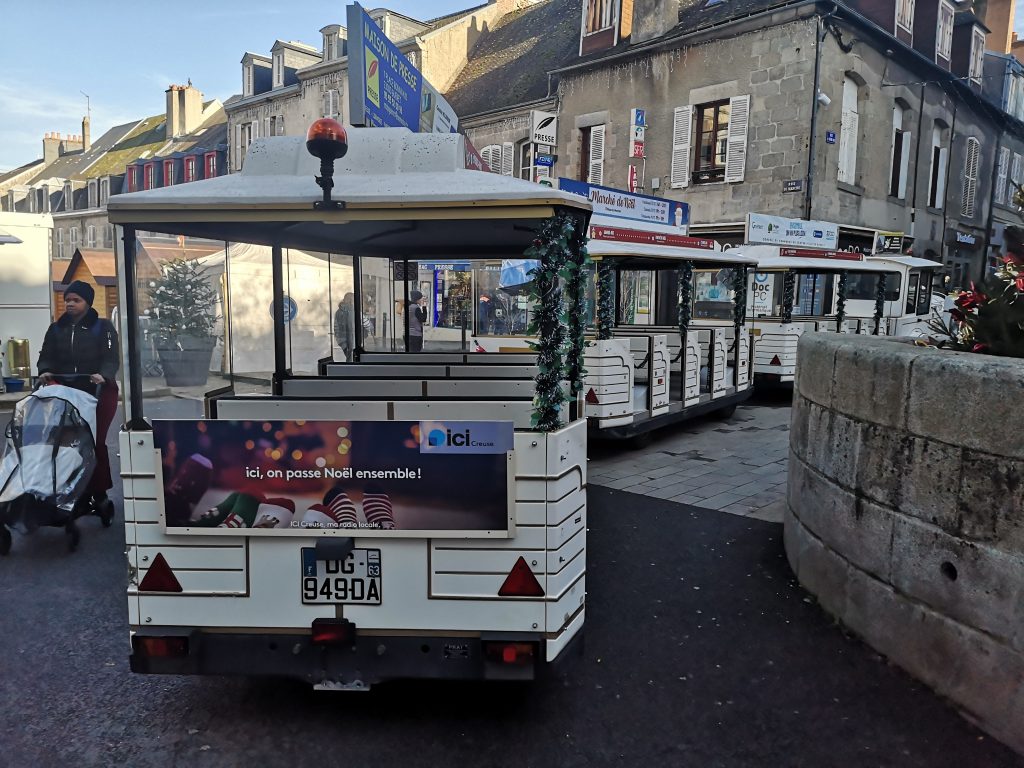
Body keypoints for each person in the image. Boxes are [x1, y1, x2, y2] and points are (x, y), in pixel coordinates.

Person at [36, 279, 120, 512]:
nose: (70, 304)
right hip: (66, 392)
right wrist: (44, 371)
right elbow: (46, 355)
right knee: (65, 441)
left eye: (76, 300)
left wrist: (104, 375)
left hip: (99, 391)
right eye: (68, 300)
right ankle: (73, 488)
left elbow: (112, 357)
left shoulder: (102, 327)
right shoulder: (56, 329)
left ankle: (99, 491)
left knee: (94, 440)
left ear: (88, 302)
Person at [334, 293, 355, 362]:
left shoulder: (338, 311)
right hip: (351, 340)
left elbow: (336, 327)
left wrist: (339, 339)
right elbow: (366, 324)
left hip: (342, 340)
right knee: (352, 358)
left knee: (350, 357)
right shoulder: (353, 310)